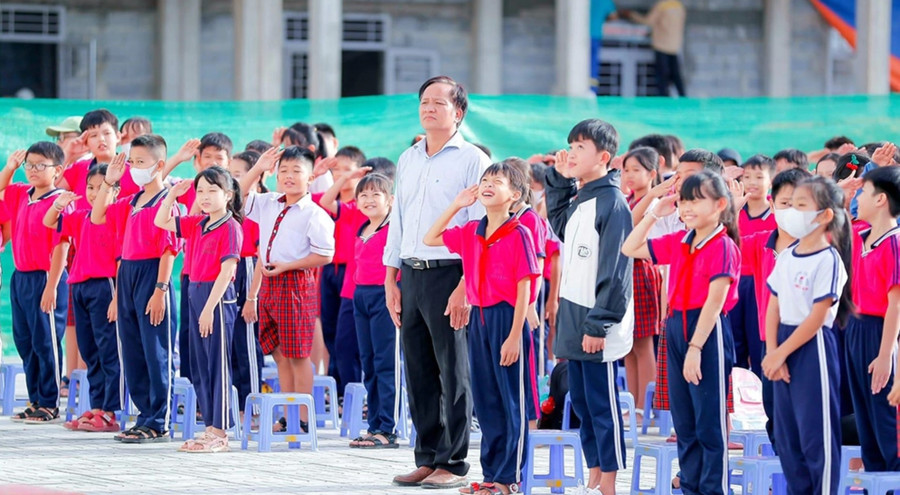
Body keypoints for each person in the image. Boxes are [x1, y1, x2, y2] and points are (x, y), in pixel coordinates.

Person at [384, 76, 489, 489]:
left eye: (438, 103)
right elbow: (399, 222)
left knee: (453, 370)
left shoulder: (472, 160)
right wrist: (391, 278)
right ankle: (427, 456)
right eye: (424, 102)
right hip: (411, 273)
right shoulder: (408, 158)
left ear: (458, 112)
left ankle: (455, 461)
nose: (428, 108)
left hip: (450, 273)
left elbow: (481, 226)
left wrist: (466, 283)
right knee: (419, 369)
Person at [623, 170, 741, 495]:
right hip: (675, 326)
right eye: (684, 201)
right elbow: (630, 248)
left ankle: (712, 488)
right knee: (684, 422)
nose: (686, 207)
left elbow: (714, 303)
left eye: (696, 200)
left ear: (719, 205)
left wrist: (696, 348)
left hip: (705, 331)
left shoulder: (723, 246)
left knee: (709, 423)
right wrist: (653, 213)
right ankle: (690, 486)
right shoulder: (680, 240)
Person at [424, 162, 539, 495]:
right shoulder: (473, 229)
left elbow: (524, 288)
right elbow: (430, 237)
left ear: (515, 195)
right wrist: (457, 204)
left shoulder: (520, 232)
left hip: (507, 320)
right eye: (484, 180)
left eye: (497, 182)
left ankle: (508, 479)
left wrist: (515, 336)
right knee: (487, 402)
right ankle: (490, 476)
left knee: (511, 403)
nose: (487, 185)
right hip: (480, 320)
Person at [546, 119, 634, 495]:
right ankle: (594, 471)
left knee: (602, 402)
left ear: (604, 157)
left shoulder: (613, 203)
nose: (572, 153)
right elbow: (561, 224)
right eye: (571, 145)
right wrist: (561, 181)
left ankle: (610, 482)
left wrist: (599, 323)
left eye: (580, 148)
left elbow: (616, 269)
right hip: (573, 311)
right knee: (580, 399)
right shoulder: (583, 196)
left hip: (596, 317)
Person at [761, 176, 852, 495]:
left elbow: (817, 316)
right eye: (790, 204)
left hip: (811, 347)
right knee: (787, 437)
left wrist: (781, 352)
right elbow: (773, 306)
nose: (792, 212)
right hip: (783, 345)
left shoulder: (828, 259)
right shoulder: (787, 255)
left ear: (825, 214)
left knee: (816, 435)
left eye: (802, 205)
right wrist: (772, 353)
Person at [238, 145, 335, 433]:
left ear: (310, 178)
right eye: (283, 171)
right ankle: (287, 414)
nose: (289, 176)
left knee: (298, 353)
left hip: (295, 283)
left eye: (296, 171)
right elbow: (237, 195)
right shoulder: (268, 202)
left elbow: (325, 255)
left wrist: (288, 265)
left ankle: (303, 419)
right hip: (269, 281)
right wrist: (258, 168)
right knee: (279, 352)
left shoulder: (314, 214)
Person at [91, 136, 180, 443]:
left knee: (156, 351)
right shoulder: (131, 201)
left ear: (158, 165)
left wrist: (160, 289)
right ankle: (144, 415)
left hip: (152, 275)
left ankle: (159, 419)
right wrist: (109, 182)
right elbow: (97, 215)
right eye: (132, 162)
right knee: (133, 350)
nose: (134, 168)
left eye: (140, 163)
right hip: (127, 274)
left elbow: (170, 250)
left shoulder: (167, 200)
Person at [155, 167, 243, 453]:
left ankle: (221, 432)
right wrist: (171, 195)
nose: (204, 196)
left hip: (215, 298)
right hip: (195, 293)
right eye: (201, 190)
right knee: (200, 366)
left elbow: (227, 270)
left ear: (228, 195)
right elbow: (161, 220)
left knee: (218, 365)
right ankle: (209, 428)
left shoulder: (231, 227)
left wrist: (209, 308)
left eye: (212, 190)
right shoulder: (197, 223)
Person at [45, 165, 122, 432]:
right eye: (90, 187)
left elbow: (121, 260)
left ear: (114, 190)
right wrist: (58, 204)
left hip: (104, 286)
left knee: (109, 350)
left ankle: (112, 411)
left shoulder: (114, 216)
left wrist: (117, 298)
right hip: (79, 286)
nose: (93, 193)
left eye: (101, 188)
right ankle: (97, 406)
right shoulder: (80, 216)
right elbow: (48, 222)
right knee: (90, 351)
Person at [740, 168, 811, 448]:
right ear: (772, 204)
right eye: (784, 203)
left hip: (806, 341)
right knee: (774, 411)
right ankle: (781, 475)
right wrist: (732, 205)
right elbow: (722, 242)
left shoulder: (819, 247)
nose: (791, 210)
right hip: (768, 341)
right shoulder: (760, 243)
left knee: (804, 413)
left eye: (799, 203)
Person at [0, 144, 71, 423]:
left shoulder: (61, 200)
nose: (33, 170)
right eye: (29, 164)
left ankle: (50, 403)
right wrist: (10, 167)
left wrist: (52, 286)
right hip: (21, 277)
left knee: (46, 341)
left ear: (57, 170)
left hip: (46, 276)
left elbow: (62, 248)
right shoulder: (20, 194)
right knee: (25, 341)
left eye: (41, 165)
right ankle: (35, 398)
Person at [848, 166, 900, 471]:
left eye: (863, 192)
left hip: (881, 333)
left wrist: (884, 356)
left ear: (881, 200)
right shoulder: (861, 236)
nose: (857, 197)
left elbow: (896, 305)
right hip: (857, 328)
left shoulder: (894, 243)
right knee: (866, 425)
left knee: (886, 425)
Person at [344, 173, 400, 449]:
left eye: (375, 194)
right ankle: (374, 425)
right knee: (368, 363)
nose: (368, 200)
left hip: (385, 296)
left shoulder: (395, 229)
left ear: (390, 200)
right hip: (361, 296)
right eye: (363, 195)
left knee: (385, 362)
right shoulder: (362, 229)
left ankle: (388, 428)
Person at [316, 146, 368, 399]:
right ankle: (337, 387)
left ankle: (351, 391)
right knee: (330, 329)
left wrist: (349, 179)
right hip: (328, 270)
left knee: (349, 335)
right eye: (336, 170)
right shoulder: (332, 202)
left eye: (348, 169)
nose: (341, 175)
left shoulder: (363, 206)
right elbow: (323, 200)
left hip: (352, 273)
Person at [620, 146, 662, 415]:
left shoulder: (657, 202)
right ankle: (635, 404)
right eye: (626, 170)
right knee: (629, 343)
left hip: (642, 270)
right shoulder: (627, 200)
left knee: (643, 342)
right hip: (625, 274)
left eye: (637, 169)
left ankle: (647, 405)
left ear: (652, 173)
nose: (629, 175)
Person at [227, 151, 264, 421]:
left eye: (237, 175)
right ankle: (236, 402)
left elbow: (263, 254)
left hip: (250, 268)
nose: (232, 181)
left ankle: (252, 404)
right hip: (232, 267)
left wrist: (252, 296)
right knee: (231, 342)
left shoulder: (262, 204)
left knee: (248, 343)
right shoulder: (231, 204)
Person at [732, 154, 777, 376]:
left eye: (759, 177)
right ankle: (736, 399)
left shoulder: (778, 214)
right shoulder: (734, 213)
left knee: (760, 343)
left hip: (763, 286)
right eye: (747, 176)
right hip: (735, 283)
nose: (752, 182)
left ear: (771, 180)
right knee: (734, 344)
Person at [624, 0, 686, 97]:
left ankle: (664, 100)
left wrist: (631, 14)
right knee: (676, 75)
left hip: (662, 45)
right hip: (675, 46)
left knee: (662, 76)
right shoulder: (679, 6)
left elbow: (648, 21)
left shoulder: (661, 6)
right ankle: (684, 99)